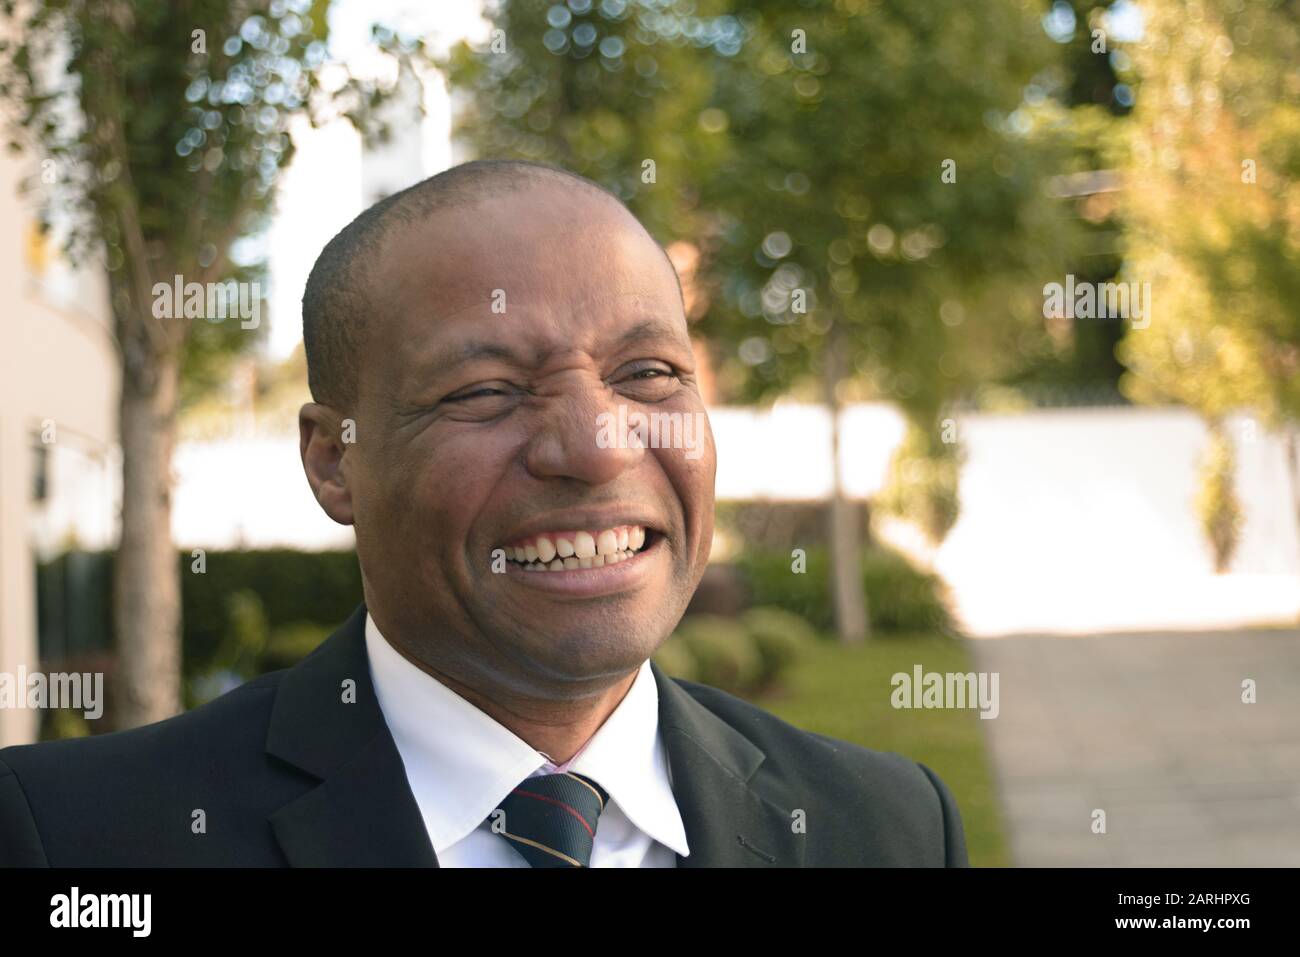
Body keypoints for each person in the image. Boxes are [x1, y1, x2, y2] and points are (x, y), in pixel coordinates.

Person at [0, 159, 968, 867]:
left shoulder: (887, 827)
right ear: (335, 462)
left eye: (647, 373)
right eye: (486, 391)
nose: (596, 446)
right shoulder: (77, 838)